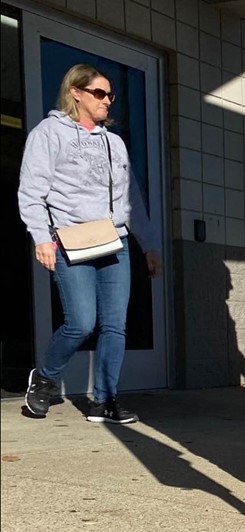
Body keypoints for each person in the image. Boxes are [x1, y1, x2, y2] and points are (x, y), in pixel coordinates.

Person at [19, 64, 162, 423]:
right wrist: (41, 237)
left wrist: (149, 244)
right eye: (99, 93)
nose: (107, 101)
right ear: (75, 93)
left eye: (110, 94)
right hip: (70, 239)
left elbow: (132, 199)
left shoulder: (114, 143)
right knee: (81, 323)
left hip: (114, 240)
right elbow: (31, 190)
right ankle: (46, 378)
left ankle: (104, 400)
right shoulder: (49, 133)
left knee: (115, 325)